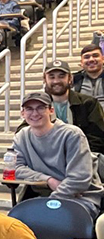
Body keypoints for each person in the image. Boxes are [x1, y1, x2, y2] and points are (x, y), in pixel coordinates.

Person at [9, 91, 103, 219]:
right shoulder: (21, 137)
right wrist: (48, 180)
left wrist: (48, 203)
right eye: (29, 109)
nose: (35, 113)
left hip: (81, 199)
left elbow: (79, 180)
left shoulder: (72, 134)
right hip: (45, 196)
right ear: (23, 113)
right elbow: (15, 168)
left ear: (51, 110)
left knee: (49, 220)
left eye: (41, 108)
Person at [42, 60, 104, 154]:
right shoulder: (39, 105)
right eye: (52, 77)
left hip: (83, 157)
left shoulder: (88, 103)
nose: (56, 81)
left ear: (70, 78)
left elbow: (97, 138)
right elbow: (24, 130)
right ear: (45, 79)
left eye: (61, 76)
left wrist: (81, 158)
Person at [72, 44, 104, 108]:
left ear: (103, 59)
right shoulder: (73, 80)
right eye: (87, 57)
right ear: (81, 62)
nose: (91, 59)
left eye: (95, 56)